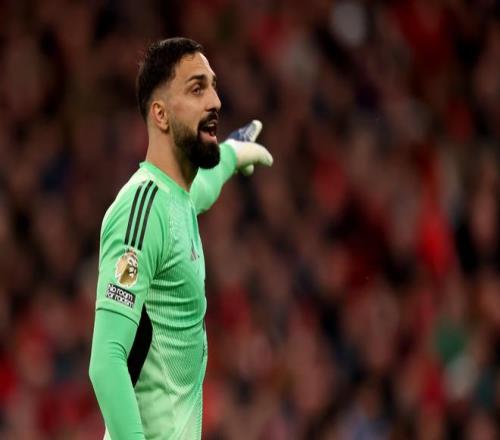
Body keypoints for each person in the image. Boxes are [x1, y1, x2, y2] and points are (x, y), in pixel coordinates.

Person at [88, 37, 273, 440]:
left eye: (213, 87)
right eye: (197, 88)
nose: (216, 101)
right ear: (160, 114)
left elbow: (203, 186)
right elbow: (106, 361)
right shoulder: (139, 209)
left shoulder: (177, 199)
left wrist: (233, 153)